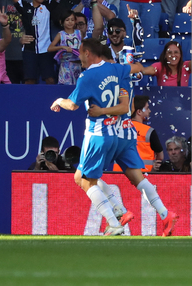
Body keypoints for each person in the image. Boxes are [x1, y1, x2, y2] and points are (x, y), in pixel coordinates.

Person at [49, 38, 138, 236]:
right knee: (80, 177)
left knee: (87, 181)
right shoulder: (114, 71)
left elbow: (72, 105)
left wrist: (58, 100)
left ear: (87, 53)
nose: (79, 57)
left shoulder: (87, 76)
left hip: (97, 133)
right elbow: (137, 69)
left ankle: (115, 220)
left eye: (80, 53)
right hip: (113, 132)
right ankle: (118, 210)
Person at [87, 70, 180, 236]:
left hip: (113, 133)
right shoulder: (124, 79)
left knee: (89, 176)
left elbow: (123, 107)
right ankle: (165, 214)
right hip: (126, 135)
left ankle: (119, 211)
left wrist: (100, 111)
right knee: (138, 179)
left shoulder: (111, 80)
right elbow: (147, 70)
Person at [10, 0, 58, 84]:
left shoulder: (48, 5)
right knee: (29, 80)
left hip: (46, 49)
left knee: (50, 79)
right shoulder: (25, 6)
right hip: (29, 49)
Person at [48, 10, 82, 85]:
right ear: (61, 22)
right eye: (67, 20)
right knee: (66, 88)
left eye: (72, 20)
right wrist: (63, 47)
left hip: (78, 66)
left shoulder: (78, 33)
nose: (70, 22)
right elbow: (50, 48)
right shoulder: (61, 34)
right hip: (66, 66)